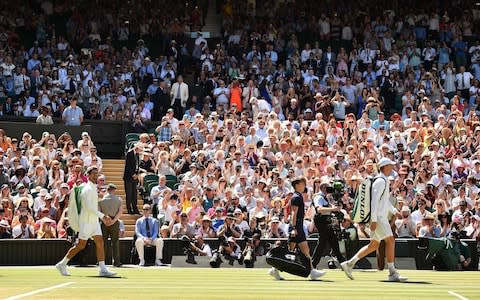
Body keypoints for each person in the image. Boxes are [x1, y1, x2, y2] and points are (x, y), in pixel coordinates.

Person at [341, 158, 407, 282]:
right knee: (391, 241)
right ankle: (392, 273)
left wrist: (394, 211)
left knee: (374, 245)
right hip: (379, 218)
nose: (392, 168)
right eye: (390, 166)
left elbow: (384, 201)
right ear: (385, 167)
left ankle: (349, 264)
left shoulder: (383, 180)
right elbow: (374, 201)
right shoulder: (380, 181)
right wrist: (374, 220)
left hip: (380, 217)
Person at [55, 166, 116, 277]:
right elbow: (88, 207)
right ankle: (62, 264)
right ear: (87, 175)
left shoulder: (93, 188)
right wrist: (103, 216)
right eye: (93, 173)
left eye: (97, 173)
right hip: (86, 222)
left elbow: (93, 205)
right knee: (80, 245)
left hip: (94, 222)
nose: (95, 175)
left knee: (100, 242)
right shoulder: (87, 189)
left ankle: (102, 269)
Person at [268, 176, 325, 280]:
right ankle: (274, 269)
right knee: (289, 250)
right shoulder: (296, 197)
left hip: (298, 227)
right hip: (296, 228)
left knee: (306, 250)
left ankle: (312, 271)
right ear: (297, 185)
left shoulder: (298, 196)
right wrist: (294, 228)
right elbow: (293, 213)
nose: (304, 185)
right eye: (302, 184)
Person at [311, 179, 346, 269]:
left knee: (333, 242)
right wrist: (333, 209)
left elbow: (329, 207)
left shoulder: (325, 197)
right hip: (321, 220)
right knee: (323, 243)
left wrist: (335, 208)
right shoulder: (319, 197)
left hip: (326, 220)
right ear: (323, 188)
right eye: (328, 188)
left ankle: (343, 263)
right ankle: (313, 264)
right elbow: (319, 209)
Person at [98, 183, 123, 267]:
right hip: (114, 221)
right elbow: (120, 212)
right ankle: (116, 261)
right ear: (114, 190)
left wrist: (104, 220)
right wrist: (113, 220)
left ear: (107, 190)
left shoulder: (101, 200)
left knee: (103, 243)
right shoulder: (118, 200)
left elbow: (99, 212)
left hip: (104, 222)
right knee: (115, 242)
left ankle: (101, 261)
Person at [124, 143, 142, 214]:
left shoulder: (137, 154)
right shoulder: (129, 153)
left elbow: (137, 165)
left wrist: (137, 174)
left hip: (135, 177)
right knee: (129, 194)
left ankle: (135, 208)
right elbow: (128, 165)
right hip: (128, 177)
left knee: (134, 194)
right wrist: (133, 174)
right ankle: (129, 209)